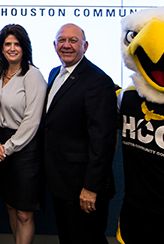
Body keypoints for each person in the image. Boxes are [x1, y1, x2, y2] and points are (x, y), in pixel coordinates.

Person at [43, 23, 117, 244]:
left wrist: (91, 188)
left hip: (83, 188)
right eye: (62, 40)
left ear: (85, 46)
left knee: (87, 238)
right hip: (61, 182)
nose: (67, 45)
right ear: (55, 45)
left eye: (73, 41)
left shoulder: (98, 81)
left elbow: (103, 140)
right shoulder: (55, 73)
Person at [0, 24, 46, 244]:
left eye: (17, 44)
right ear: (0, 48)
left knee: (24, 213)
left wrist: (6, 148)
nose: (12, 48)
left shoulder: (33, 75)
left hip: (25, 151)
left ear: (24, 47)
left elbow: (32, 121)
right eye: (7, 44)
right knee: (10, 206)